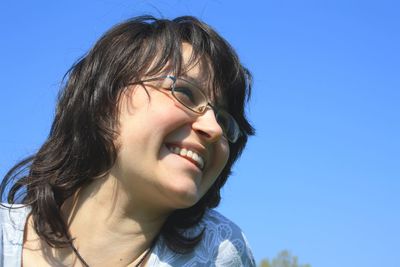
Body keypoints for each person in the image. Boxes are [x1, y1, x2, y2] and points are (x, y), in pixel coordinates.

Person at [0, 15, 255, 266]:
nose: (214, 129)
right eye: (185, 92)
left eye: (224, 120)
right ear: (103, 101)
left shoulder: (220, 253)